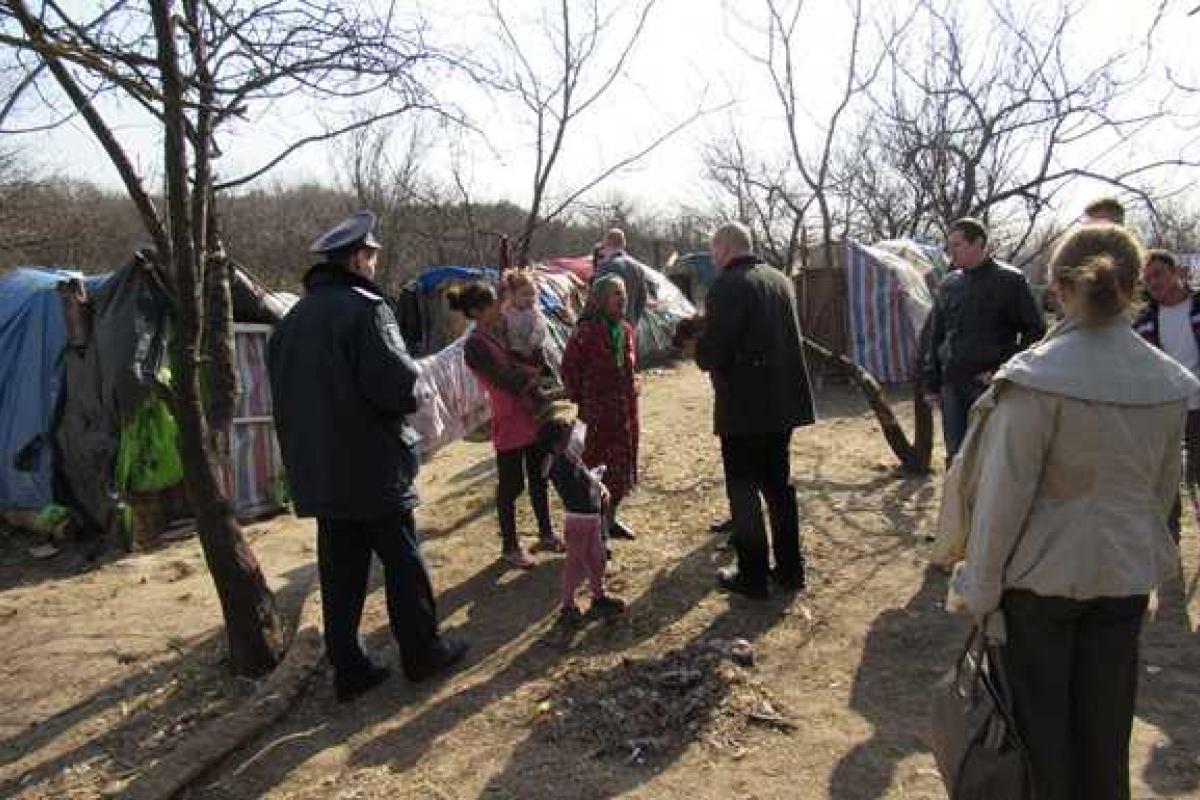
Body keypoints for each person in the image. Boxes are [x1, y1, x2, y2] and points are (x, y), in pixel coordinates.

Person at [946, 223, 1198, 800]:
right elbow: (1160, 497)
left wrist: (979, 590)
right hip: (1123, 582)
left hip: (1040, 589)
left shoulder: (1037, 378)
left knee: (1040, 748)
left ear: (1058, 288)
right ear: (1135, 286)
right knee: (1105, 742)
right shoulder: (1164, 381)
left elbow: (1002, 499)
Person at [267, 211, 467, 702]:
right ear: (357, 259)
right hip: (373, 465)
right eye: (372, 257)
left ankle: (350, 670)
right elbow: (397, 388)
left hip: (319, 469)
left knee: (340, 571)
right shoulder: (367, 310)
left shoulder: (291, 322)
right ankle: (422, 653)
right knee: (402, 561)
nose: (374, 265)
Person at [694, 222, 815, 599]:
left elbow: (716, 350)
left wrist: (699, 348)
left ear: (725, 248)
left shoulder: (728, 285)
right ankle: (790, 570)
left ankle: (753, 575)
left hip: (745, 407)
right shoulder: (779, 280)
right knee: (779, 488)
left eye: (713, 251)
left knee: (744, 491)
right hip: (781, 402)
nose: (713, 258)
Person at [453, 281, 562, 569]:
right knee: (511, 486)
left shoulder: (500, 334)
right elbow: (505, 380)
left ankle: (546, 534)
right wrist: (531, 374)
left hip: (527, 413)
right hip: (510, 418)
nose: (499, 308)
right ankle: (510, 547)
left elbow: (520, 363)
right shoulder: (476, 345)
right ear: (476, 311)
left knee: (539, 476)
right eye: (492, 304)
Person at [920, 217, 1045, 463]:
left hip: (990, 385)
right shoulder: (950, 283)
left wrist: (1004, 369)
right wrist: (931, 382)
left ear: (978, 243)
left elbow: (1035, 331)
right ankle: (957, 490)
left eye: (957, 245)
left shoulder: (1010, 281)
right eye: (949, 245)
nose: (951, 252)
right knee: (956, 456)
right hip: (952, 383)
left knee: (990, 455)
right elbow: (936, 334)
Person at [560, 275, 640, 541]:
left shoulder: (625, 330)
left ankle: (611, 519)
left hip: (623, 411)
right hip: (596, 415)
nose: (622, 298)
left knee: (621, 468)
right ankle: (596, 528)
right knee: (597, 469)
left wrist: (632, 385)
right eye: (616, 293)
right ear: (600, 298)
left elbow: (629, 367)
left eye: (623, 292)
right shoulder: (586, 332)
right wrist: (584, 398)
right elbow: (569, 369)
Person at [536, 406, 626, 622]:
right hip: (578, 523)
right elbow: (576, 484)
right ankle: (567, 605)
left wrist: (599, 485)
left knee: (597, 558)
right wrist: (595, 486)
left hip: (592, 519)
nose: (576, 438)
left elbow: (586, 478)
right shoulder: (560, 465)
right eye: (569, 437)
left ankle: (598, 595)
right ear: (557, 445)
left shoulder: (571, 459)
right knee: (575, 565)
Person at [1134, 248, 1200, 538]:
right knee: (1165, 480)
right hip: (1164, 411)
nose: (1153, 283)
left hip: (1198, 408)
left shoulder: (1197, 307)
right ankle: (1169, 543)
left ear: (1175, 273)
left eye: (1158, 274)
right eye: (1147, 279)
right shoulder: (1144, 322)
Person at [594, 228, 658, 326]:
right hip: (631, 326)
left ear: (607, 243)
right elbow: (642, 299)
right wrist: (634, 321)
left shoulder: (606, 266)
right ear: (624, 244)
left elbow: (597, 298)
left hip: (609, 327)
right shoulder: (638, 267)